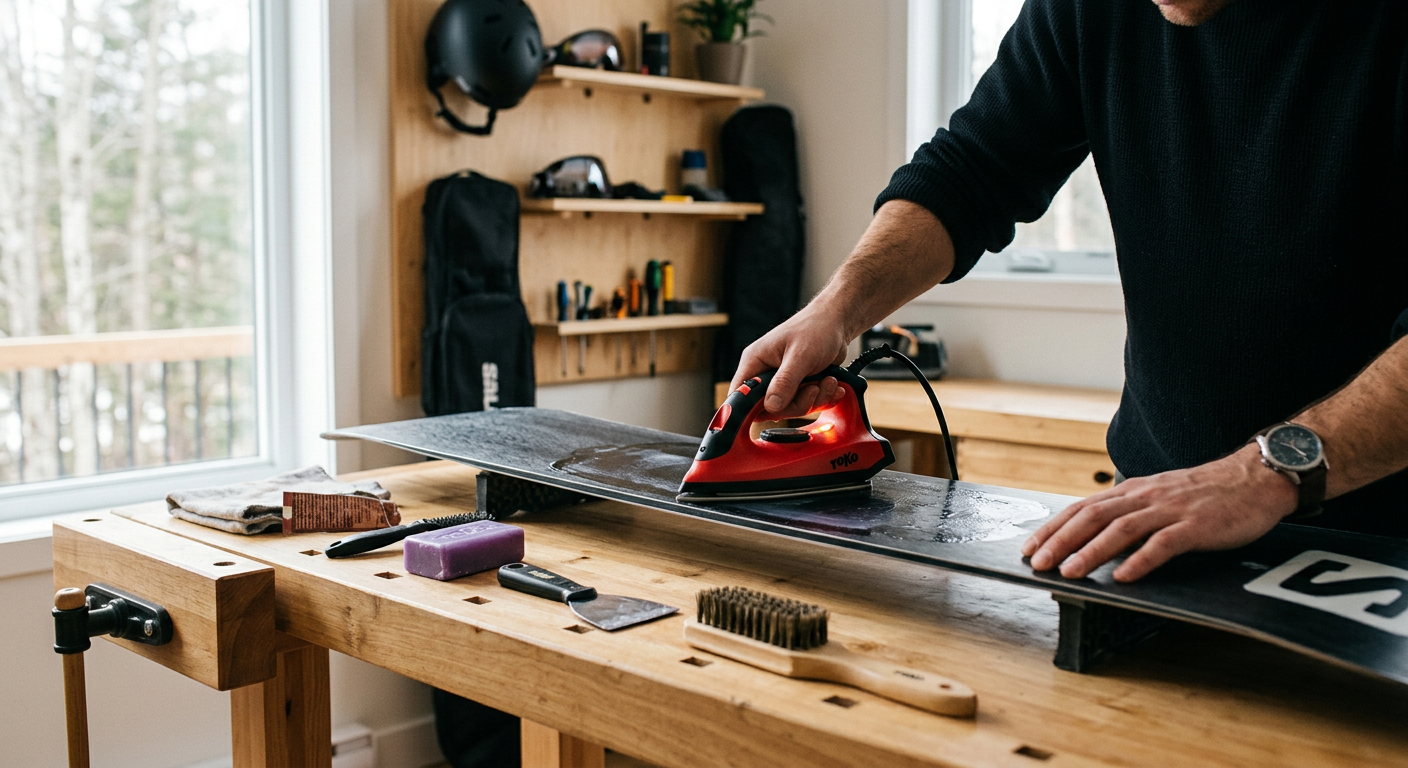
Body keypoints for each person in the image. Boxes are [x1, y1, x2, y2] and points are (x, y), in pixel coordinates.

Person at [731, 0, 1408, 582]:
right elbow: (972, 172)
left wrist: (1265, 474)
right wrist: (836, 310)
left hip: (1378, 537)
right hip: (1157, 513)